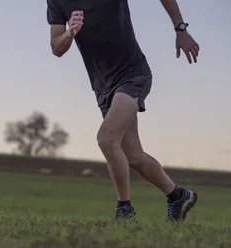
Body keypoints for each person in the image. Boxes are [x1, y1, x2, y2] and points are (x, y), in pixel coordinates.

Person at [47, 0, 200, 222]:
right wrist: (69, 34)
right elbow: (56, 47)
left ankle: (124, 210)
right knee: (134, 157)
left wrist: (180, 29)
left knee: (107, 139)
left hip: (133, 73)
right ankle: (178, 196)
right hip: (103, 84)